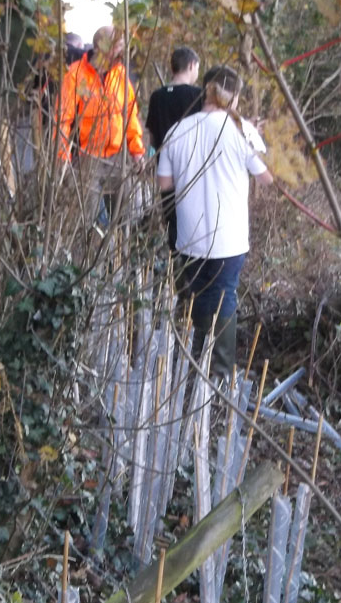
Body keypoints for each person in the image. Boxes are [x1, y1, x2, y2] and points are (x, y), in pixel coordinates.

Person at [157, 65, 273, 377]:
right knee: (223, 296)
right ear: (234, 96)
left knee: (194, 294)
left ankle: (192, 366)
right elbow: (267, 178)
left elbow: (164, 185)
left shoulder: (176, 131)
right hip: (230, 236)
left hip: (189, 235)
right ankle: (219, 372)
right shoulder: (242, 131)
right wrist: (257, 138)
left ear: (203, 90)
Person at [55, 25, 146, 229]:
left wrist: (137, 151)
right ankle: (97, 252)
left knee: (134, 207)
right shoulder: (76, 74)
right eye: (119, 47)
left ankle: (123, 251)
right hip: (87, 156)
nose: (124, 52)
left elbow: (130, 116)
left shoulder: (121, 74)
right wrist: (63, 159)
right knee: (89, 217)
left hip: (118, 155)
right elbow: (63, 119)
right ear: (100, 47)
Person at [146, 46, 201, 249]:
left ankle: (175, 264)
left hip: (165, 172)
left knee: (173, 223)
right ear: (191, 65)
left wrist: (151, 157)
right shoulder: (198, 96)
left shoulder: (157, 96)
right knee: (194, 223)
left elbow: (152, 137)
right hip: (194, 169)